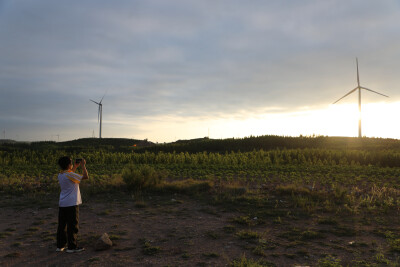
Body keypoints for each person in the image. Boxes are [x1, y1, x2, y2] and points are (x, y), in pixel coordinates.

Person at [56, 156, 89, 253]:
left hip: (62, 204)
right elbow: (86, 176)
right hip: (71, 204)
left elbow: (71, 174)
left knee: (62, 226)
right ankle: (72, 247)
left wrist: (75, 166)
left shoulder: (61, 174)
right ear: (68, 165)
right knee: (72, 226)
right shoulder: (69, 174)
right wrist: (83, 166)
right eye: (70, 163)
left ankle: (60, 246)